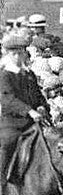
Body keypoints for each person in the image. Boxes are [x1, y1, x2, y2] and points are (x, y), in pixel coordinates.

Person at [0, 31, 45, 186]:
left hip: (33, 123)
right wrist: (29, 111)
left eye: (21, 53)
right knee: (7, 144)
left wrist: (41, 107)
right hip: (13, 124)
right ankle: (2, 184)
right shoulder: (5, 75)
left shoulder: (29, 74)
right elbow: (8, 99)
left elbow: (38, 95)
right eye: (14, 54)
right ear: (8, 55)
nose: (18, 57)